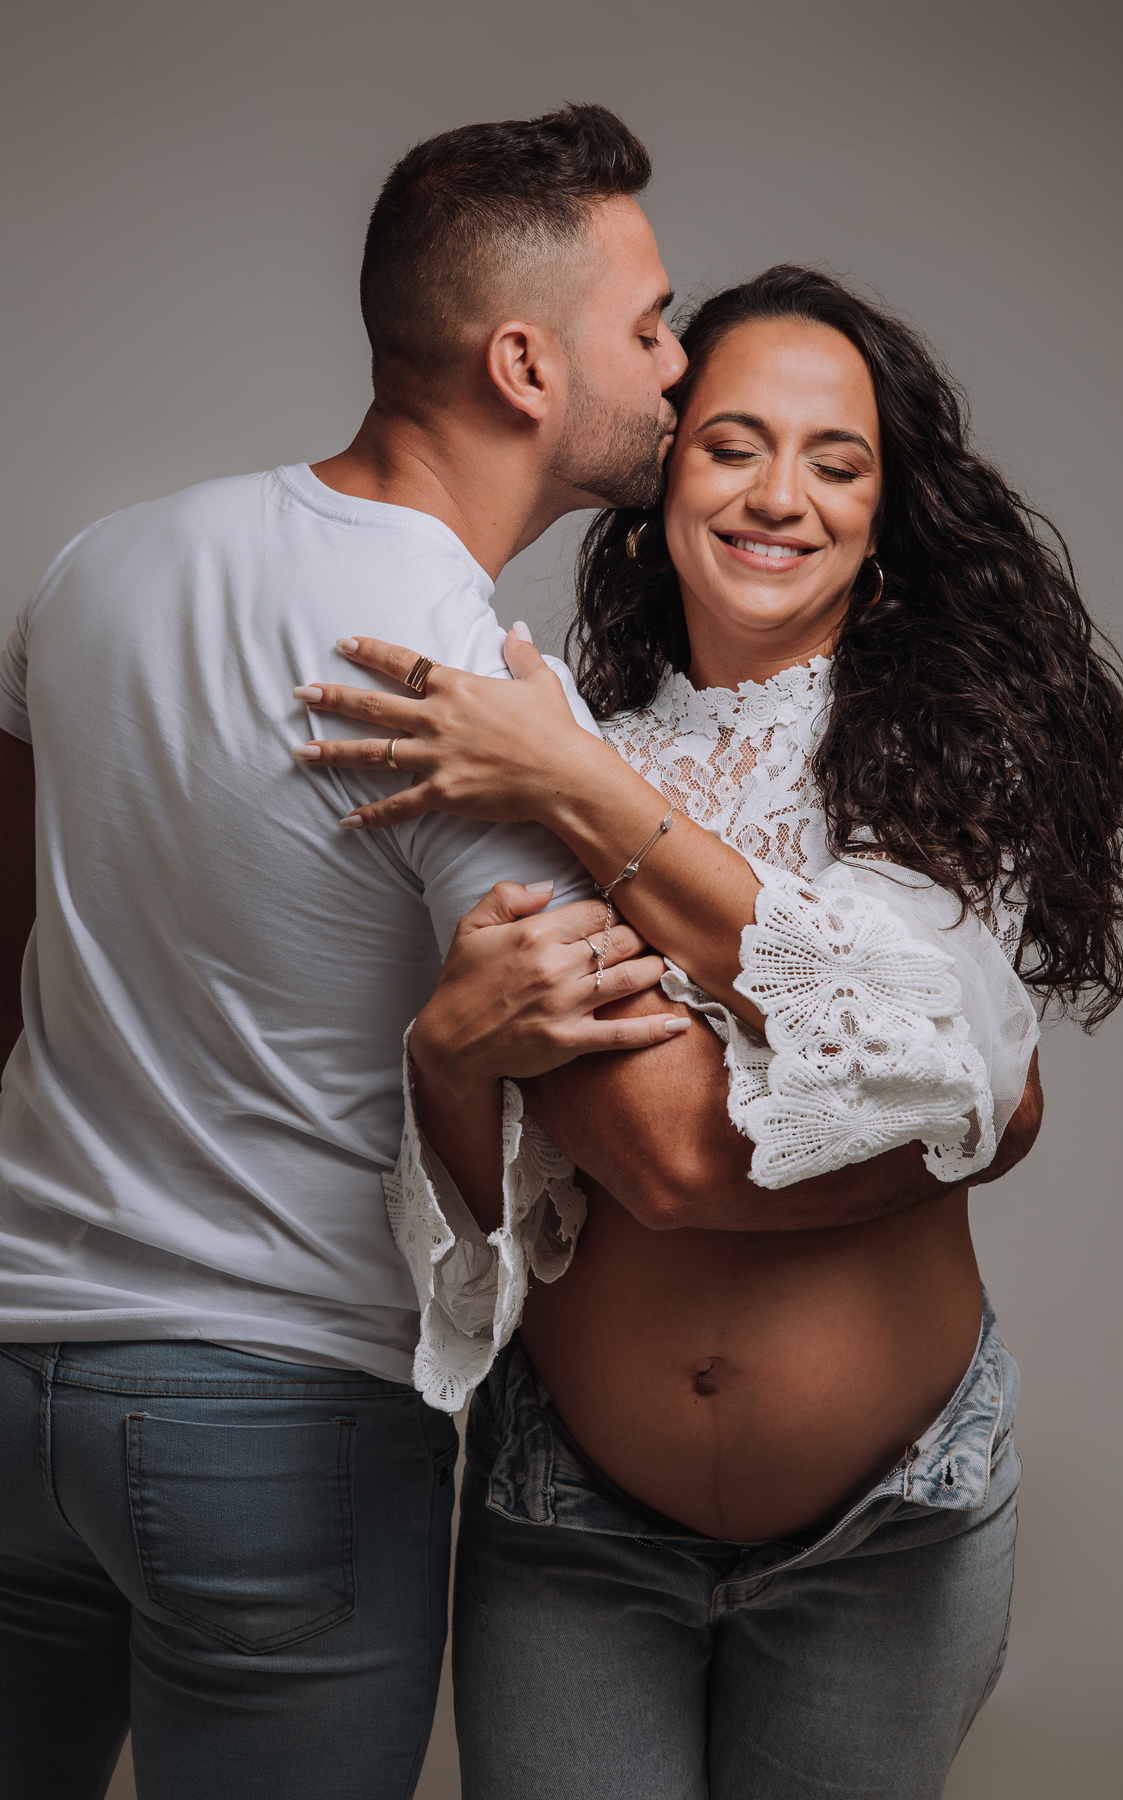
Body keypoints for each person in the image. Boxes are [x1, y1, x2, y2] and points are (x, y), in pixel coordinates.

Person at [299, 266, 1123, 1798]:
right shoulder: (570, 742)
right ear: (659, 484)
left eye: (838, 464)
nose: (780, 497)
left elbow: (902, 1051)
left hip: (890, 1522)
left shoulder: (943, 759)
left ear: (887, 519)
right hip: (574, 1517)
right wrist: (452, 1059)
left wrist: (580, 799)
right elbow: (524, 1206)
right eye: (732, 445)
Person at [0, 103, 698, 1800]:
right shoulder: (472, 684)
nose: (679, 367)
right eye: (651, 327)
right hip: (274, 1417)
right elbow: (642, 1137)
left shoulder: (101, 563)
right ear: (524, 366)